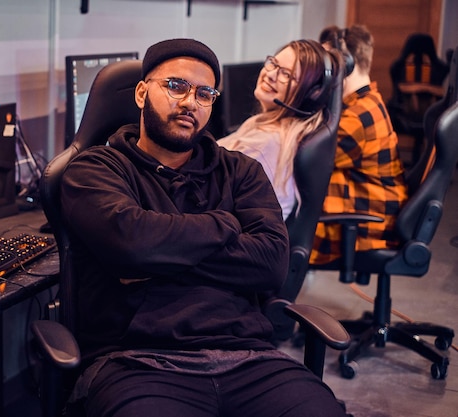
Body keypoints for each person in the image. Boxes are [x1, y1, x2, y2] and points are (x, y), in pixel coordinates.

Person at [60, 38, 347, 417]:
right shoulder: (95, 170)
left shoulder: (241, 172)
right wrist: (225, 224)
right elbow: (129, 244)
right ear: (143, 93)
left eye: (205, 93)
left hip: (250, 358)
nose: (190, 102)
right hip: (139, 362)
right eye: (176, 86)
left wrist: (153, 259)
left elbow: (272, 264)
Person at [310, 25, 408, 265]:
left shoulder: (358, 117)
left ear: (345, 63)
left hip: (371, 221)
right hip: (375, 205)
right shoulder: (364, 102)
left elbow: (310, 160)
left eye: (327, 64)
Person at [218, 39, 340, 220]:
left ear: (309, 95)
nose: (271, 75)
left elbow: (210, 188)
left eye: (286, 75)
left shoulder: (269, 141)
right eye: (273, 63)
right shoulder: (262, 126)